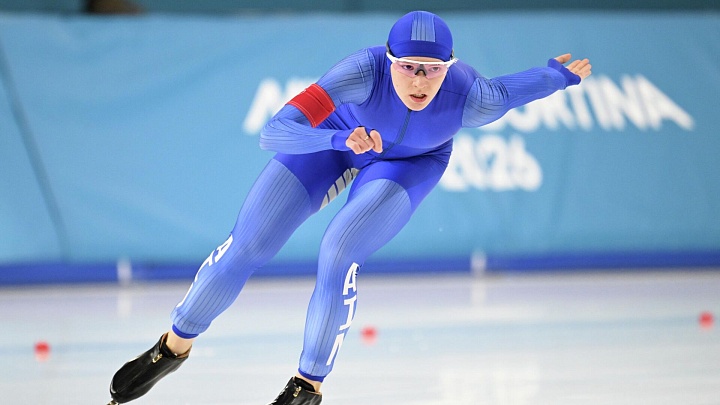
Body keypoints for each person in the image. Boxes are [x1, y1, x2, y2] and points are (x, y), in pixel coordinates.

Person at [107, 10, 591, 405]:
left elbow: (513, 89)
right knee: (248, 244)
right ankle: (172, 347)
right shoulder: (361, 72)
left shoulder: (472, 97)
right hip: (336, 140)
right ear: (389, 60)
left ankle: (306, 387)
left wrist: (558, 76)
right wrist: (338, 139)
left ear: (450, 67)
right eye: (408, 67)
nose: (420, 81)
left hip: (410, 164)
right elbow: (274, 132)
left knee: (338, 251)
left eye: (432, 69)